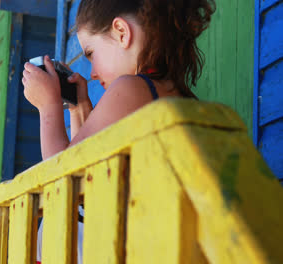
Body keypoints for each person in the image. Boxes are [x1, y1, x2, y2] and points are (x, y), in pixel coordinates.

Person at [24, 0, 215, 262]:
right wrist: (79, 109)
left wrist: (48, 106)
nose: (91, 73)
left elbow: (63, 180)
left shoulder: (132, 88)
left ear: (121, 32)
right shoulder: (173, 95)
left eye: (90, 53)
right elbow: (88, 169)